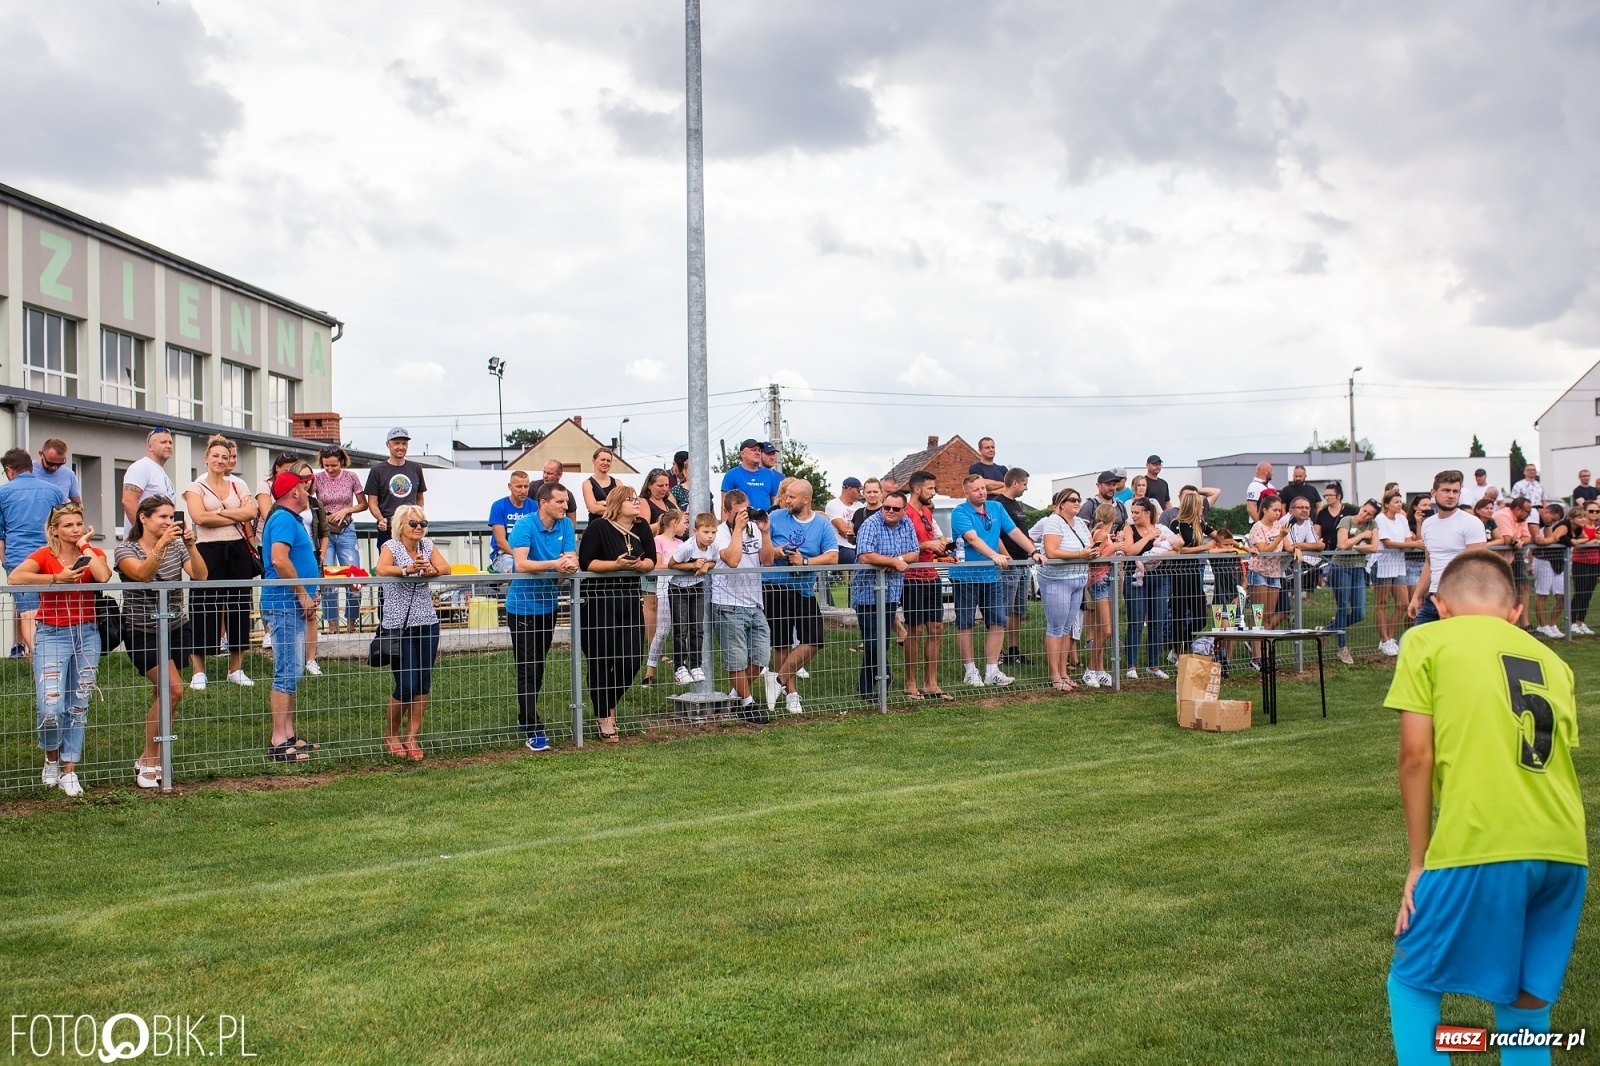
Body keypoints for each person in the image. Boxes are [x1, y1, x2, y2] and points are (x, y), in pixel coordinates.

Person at [1384, 551, 1587, 1066]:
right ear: (1516, 612)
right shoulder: (1556, 664)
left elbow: (1416, 756)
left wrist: (1418, 863)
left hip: (1482, 841)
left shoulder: (1426, 640)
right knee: (1526, 1007)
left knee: (1412, 983)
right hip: (1566, 851)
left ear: (1439, 606)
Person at [11, 503, 110, 796]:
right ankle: (51, 758)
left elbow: (104, 576)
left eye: (79, 524)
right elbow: (15, 577)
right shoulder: (44, 555)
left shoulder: (92, 551)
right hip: (52, 634)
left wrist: (85, 546)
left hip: (87, 634)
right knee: (50, 706)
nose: (75, 529)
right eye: (68, 525)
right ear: (54, 530)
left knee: (78, 704)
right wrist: (56, 579)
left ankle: (70, 770)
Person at [116, 495, 208, 785]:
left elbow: (201, 576)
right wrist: (161, 546)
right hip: (142, 630)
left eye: (171, 517)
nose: (169, 522)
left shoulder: (178, 545)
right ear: (143, 518)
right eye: (163, 517)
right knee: (174, 691)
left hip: (176, 626)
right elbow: (142, 575)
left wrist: (191, 546)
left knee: (164, 694)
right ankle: (149, 761)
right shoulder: (126, 549)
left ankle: (152, 757)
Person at [577, 484, 654, 741]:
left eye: (637, 499)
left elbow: (652, 559)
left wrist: (641, 566)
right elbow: (587, 562)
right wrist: (616, 565)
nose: (636, 502)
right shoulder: (598, 527)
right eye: (630, 499)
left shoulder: (642, 527)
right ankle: (604, 718)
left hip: (629, 599)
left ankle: (608, 703)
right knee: (601, 660)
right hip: (600, 600)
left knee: (631, 659)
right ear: (617, 504)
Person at [950, 473, 1041, 687]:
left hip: (991, 576)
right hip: (966, 576)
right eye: (976, 489)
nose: (981, 492)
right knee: (965, 624)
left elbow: (1014, 532)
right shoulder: (959, 512)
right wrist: (995, 555)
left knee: (998, 621)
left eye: (983, 488)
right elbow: (972, 539)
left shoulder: (996, 508)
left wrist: (1033, 551)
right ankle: (970, 671)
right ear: (966, 492)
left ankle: (993, 670)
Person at [507, 481, 579, 752]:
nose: (565, 506)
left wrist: (569, 565)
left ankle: (524, 716)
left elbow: (571, 559)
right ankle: (533, 728)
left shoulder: (566, 525)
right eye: (560, 502)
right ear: (543, 503)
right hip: (522, 607)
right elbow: (521, 564)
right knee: (528, 668)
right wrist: (555, 564)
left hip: (549, 606)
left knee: (538, 667)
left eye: (566, 501)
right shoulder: (525, 525)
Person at [183, 435, 259, 690]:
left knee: (239, 605)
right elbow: (199, 518)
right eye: (215, 456)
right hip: (207, 550)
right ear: (206, 458)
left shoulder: (238, 484)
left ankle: (236, 668)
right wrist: (233, 514)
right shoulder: (195, 487)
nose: (220, 460)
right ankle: (198, 672)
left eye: (225, 457)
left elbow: (251, 512)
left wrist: (217, 513)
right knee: (204, 606)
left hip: (238, 549)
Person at [375, 504, 448, 759]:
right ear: (400, 526)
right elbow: (381, 570)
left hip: (427, 622)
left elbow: (446, 568)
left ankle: (411, 737)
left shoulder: (427, 546)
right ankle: (391, 734)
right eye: (414, 523)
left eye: (422, 523)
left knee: (423, 684)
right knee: (406, 684)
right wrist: (407, 570)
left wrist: (431, 570)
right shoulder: (391, 547)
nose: (419, 528)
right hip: (399, 625)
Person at [760, 480, 838, 715]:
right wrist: (777, 551)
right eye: (786, 496)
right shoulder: (775, 517)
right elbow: (763, 552)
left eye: (792, 497)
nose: (787, 500)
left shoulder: (822, 524)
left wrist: (804, 561)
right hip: (774, 586)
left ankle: (778, 679)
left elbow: (832, 556)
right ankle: (791, 694)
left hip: (804, 589)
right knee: (782, 642)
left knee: (814, 640)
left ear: (806, 499)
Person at [260, 469, 321, 761]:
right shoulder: (284, 519)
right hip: (284, 604)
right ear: (295, 492)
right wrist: (301, 593)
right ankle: (278, 742)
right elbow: (279, 560)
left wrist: (308, 591)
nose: (308, 493)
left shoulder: (289, 519)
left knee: (293, 671)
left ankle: (288, 735)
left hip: (291, 603)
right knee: (287, 671)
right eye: (305, 489)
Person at [851, 490, 919, 701]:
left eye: (895, 509)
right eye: (886, 507)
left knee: (882, 641)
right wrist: (893, 562)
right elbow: (865, 556)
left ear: (904, 510)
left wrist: (896, 560)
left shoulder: (907, 523)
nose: (889, 511)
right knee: (873, 641)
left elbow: (915, 552)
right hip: (866, 592)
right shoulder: (870, 525)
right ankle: (883, 677)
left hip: (891, 592)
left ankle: (867, 687)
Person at [0, 448, 67, 656]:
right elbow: (63, 525)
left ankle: (40, 659)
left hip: (18, 558)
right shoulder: (54, 491)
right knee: (51, 611)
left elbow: (0, 534)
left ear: (9, 470)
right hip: (51, 555)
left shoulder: (3, 492)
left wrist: (5, 561)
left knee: (28, 612)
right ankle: (52, 656)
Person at [711, 490, 770, 723]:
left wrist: (765, 532)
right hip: (728, 603)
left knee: (761, 657)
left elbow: (767, 560)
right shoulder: (719, 533)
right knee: (736, 659)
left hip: (755, 603)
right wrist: (737, 529)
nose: (744, 516)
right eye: (738, 513)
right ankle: (747, 704)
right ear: (726, 512)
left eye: (746, 511)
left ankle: (736, 696)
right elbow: (733, 560)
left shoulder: (754, 528)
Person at [1031, 488, 1096, 690]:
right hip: (1057, 580)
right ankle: (1055, 676)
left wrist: (1092, 551)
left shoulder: (1080, 523)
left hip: (1078, 579)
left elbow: (1090, 544)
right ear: (1061, 504)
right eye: (1072, 499)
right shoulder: (1053, 522)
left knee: (1067, 628)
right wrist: (1080, 555)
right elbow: (1051, 552)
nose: (1077, 503)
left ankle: (1064, 673)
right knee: (1056, 628)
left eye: (1079, 499)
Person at [1409, 471, 1489, 627]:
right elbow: (1429, 563)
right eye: (1446, 490)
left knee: (1455, 643)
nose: (1451, 495)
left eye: (1455, 491)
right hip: (1433, 598)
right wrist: (1416, 597)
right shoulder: (1427, 524)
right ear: (1433, 493)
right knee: (1420, 639)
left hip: (1461, 598)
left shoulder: (1471, 523)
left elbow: (1478, 566)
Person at [901, 470, 953, 700]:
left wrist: (941, 547)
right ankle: (910, 683)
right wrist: (926, 545)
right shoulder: (904, 513)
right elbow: (901, 546)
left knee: (937, 628)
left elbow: (933, 540)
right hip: (911, 577)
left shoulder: (927, 512)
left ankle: (931, 683)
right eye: (930, 488)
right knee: (915, 629)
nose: (934, 492)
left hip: (931, 575)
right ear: (917, 489)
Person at [1120, 498, 1178, 679]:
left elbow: (1176, 549)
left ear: (1147, 513)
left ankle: (1154, 665)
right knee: (1136, 622)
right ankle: (1131, 665)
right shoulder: (1129, 529)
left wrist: (1160, 555)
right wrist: (1147, 536)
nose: (1133, 515)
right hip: (1136, 578)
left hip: (1159, 577)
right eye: (1132, 512)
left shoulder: (1161, 529)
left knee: (1157, 622)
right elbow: (1129, 551)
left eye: (1137, 512)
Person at [315, 446, 367, 634]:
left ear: (342, 462)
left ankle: (352, 624)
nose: (330, 469)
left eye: (334, 465)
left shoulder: (351, 477)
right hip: (326, 531)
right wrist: (322, 515)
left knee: (354, 576)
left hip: (346, 528)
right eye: (326, 466)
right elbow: (309, 501)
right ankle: (332, 626)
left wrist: (346, 510)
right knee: (329, 576)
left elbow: (363, 504)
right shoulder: (317, 478)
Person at [666, 512, 717, 687]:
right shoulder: (686, 547)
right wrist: (692, 565)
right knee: (681, 629)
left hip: (697, 587)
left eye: (713, 532)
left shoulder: (713, 547)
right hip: (678, 589)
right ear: (695, 531)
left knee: (697, 628)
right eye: (706, 532)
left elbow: (714, 561)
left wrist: (707, 565)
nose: (710, 536)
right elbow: (671, 564)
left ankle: (696, 665)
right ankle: (680, 667)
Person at [992, 468, 1034, 667]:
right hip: (1009, 565)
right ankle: (998, 652)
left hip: (1022, 563)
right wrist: (1006, 557)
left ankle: (1013, 650)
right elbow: (996, 534)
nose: (1026, 488)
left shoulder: (1016, 505)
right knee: (1004, 609)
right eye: (1024, 484)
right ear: (1015, 482)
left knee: (1017, 610)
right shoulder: (998, 504)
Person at [644, 508, 688, 686]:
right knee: (662, 631)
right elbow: (657, 565)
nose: (686, 526)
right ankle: (650, 670)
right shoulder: (658, 541)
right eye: (684, 522)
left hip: (681, 590)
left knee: (682, 631)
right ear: (674, 523)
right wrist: (678, 566)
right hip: (664, 590)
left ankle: (680, 670)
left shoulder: (681, 543)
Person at [1166, 489, 1213, 655]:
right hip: (1178, 573)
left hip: (1194, 572)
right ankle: (1177, 650)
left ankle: (1182, 644)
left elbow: (1217, 535)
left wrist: (1237, 546)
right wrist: (1204, 547)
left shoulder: (1199, 522)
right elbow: (1179, 550)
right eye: (1200, 505)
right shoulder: (1176, 524)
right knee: (1179, 614)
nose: (1202, 508)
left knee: (1200, 616)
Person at [1245, 497, 1290, 666]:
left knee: (1269, 616)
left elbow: (1288, 546)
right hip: (1259, 572)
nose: (1278, 513)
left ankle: (1265, 652)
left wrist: (1297, 549)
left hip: (1275, 573)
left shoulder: (1278, 526)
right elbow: (1264, 550)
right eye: (1275, 510)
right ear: (1265, 510)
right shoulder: (1257, 527)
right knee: (1259, 614)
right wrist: (1280, 537)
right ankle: (1256, 656)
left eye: (1279, 510)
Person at [1373, 492, 1419, 658]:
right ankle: (1384, 639)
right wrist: (1415, 543)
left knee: (1403, 603)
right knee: (1382, 602)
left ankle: (1389, 637)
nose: (1399, 504)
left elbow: (1408, 541)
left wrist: (1414, 542)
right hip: (1382, 563)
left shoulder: (1402, 519)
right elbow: (1388, 543)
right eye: (1396, 502)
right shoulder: (1380, 519)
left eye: (1400, 501)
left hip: (1399, 564)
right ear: (1386, 504)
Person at [364, 427, 427, 534]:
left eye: (404, 444)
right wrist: (380, 519)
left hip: (411, 527)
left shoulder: (416, 468)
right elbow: (372, 502)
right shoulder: (377, 470)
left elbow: (419, 497)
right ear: (388, 444)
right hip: (388, 528)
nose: (401, 447)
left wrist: (419, 517)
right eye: (397, 443)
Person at [121, 427, 175, 532]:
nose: (168, 446)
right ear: (150, 447)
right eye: (163, 442)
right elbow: (128, 501)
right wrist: (142, 532)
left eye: (170, 442)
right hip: (142, 540)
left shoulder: (160, 471)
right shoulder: (141, 467)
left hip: (161, 538)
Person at [1530, 502, 1571, 639]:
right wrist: (1546, 540)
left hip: (1556, 562)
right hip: (1542, 560)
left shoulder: (1548, 524)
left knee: (1562, 595)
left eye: (1555, 521)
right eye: (1552, 519)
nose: (1553, 523)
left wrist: (1546, 540)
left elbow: (1549, 539)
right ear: (1547, 512)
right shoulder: (1534, 516)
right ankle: (1542, 625)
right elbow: (1542, 541)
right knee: (1542, 594)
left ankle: (1552, 625)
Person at [488, 470, 536, 575]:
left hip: (530, 554)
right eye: (519, 486)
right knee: (517, 570)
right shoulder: (499, 506)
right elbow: (501, 542)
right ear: (510, 486)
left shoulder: (535, 506)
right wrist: (522, 557)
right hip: (504, 555)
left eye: (526, 486)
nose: (523, 490)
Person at [1495, 497, 1535, 623]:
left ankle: (1525, 624)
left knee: (1524, 586)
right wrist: (1518, 540)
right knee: (1501, 590)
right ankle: (1501, 621)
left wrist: (1520, 541)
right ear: (1518, 509)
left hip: (1514, 554)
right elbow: (1508, 540)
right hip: (1497, 558)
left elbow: (1528, 538)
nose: (1529, 514)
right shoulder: (1503, 515)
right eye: (1527, 511)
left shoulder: (1521, 519)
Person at [719, 439, 782, 512]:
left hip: (765, 518)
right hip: (742, 518)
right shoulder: (731, 475)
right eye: (753, 450)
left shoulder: (769, 475)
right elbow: (725, 505)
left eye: (759, 450)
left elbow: (775, 502)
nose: (757, 453)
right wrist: (725, 520)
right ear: (742, 454)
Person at [1568, 501, 1600, 637]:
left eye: (1597, 511)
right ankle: (1571, 622)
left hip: (1595, 563)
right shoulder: (1580, 527)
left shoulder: (1597, 527)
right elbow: (1577, 545)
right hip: (1580, 562)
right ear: (1585, 511)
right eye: (1591, 511)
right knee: (1580, 592)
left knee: (1588, 594)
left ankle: (1581, 621)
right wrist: (1593, 542)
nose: (1594, 513)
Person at [825, 477, 863, 564]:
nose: (860, 494)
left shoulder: (860, 506)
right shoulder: (833, 504)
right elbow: (844, 530)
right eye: (858, 490)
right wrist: (856, 530)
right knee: (855, 559)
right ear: (849, 489)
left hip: (857, 546)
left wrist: (851, 530)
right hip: (840, 546)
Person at [34, 439, 81, 504]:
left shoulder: (69, 474)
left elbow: (79, 505)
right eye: (50, 463)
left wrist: (70, 506)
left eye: (60, 464)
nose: (55, 467)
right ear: (41, 454)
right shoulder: (27, 470)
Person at [581, 447, 619, 518]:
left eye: (608, 461)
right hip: (596, 523)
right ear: (594, 461)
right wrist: (615, 509)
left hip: (614, 523)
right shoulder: (587, 484)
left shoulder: (617, 483)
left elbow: (624, 505)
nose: (606, 463)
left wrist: (602, 503)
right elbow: (593, 509)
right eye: (603, 460)